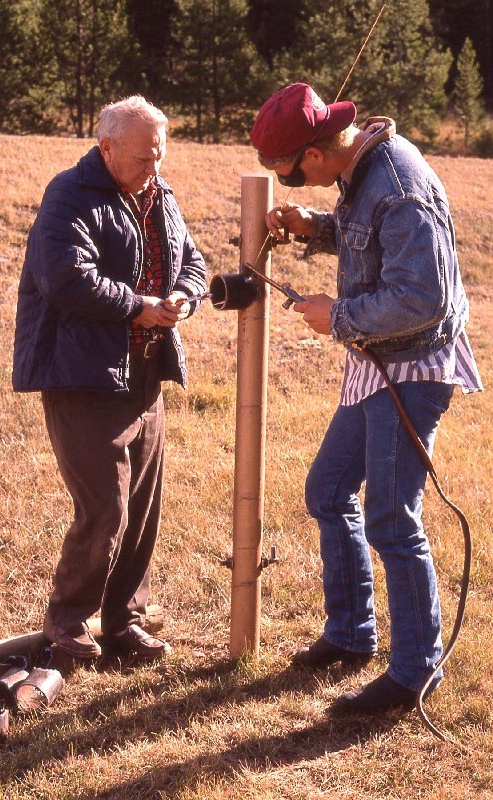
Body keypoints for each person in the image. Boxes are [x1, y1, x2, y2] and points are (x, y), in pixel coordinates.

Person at [250, 83, 482, 713]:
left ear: (317, 156)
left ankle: (413, 672)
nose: (287, 183)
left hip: (412, 366)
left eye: (288, 176)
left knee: (389, 515)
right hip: (378, 361)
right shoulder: (362, 166)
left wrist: (339, 315)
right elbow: (368, 234)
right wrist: (315, 228)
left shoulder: (399, 183)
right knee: (329, 490)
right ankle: (351, 636)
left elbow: (423, 297)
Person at [13, 95, 206, 661]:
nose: (157, 166)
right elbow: (66, 279)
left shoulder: (159, 195)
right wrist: (138, 305)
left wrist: (182, 298)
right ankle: (68, 619)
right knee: (107, 509)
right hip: (83, 376)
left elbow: (190, 261)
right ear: (107, 148)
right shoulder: (68, 195)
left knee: (142, 510)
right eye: (147, 156)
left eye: (161, 154)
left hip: (145, 374)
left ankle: (123, 622)